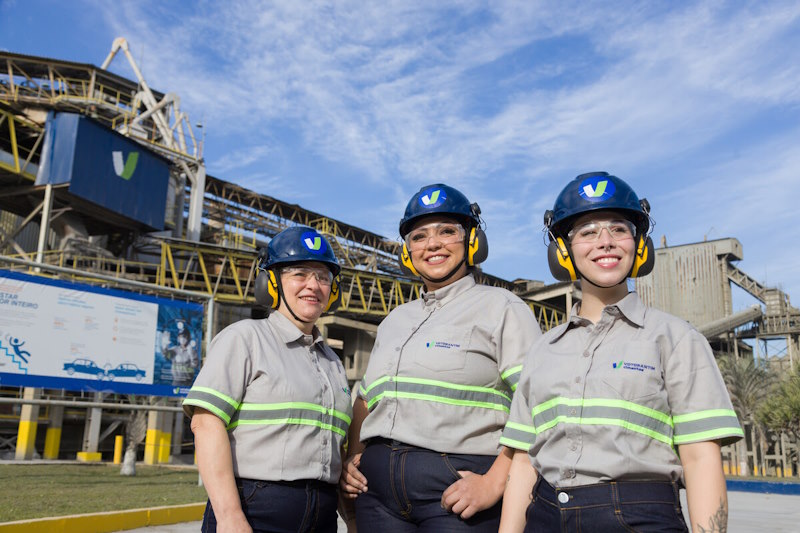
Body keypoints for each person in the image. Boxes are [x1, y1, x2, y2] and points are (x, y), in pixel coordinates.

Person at [499, 172, 744, 533]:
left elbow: (700, 459)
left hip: (639, 517)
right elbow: (523, 463)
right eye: (587, 232)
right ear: (563, 252)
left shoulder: (675, 338)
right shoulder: (542, 350)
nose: (605, 242)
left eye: (619, 229)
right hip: (545, 514)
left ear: (639, 245)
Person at [340, 183, 542, 531]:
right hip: (377, 497)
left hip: (455, 492)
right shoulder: (395, 320)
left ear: (472, 241)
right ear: (408, 251)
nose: (432, 244)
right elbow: (365, 399)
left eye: (447, 231)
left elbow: (536, 404)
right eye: (419, 237)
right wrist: (351, 460)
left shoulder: (502, 307)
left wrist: (495, 483)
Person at [183, 226, 352, 533]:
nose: (313, 285)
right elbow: (205, 423)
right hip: (256, 510)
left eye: (323, 277)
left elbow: (333, 451)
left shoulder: (332, 362)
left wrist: (351, 520)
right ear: (270, 282)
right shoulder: (244, 339)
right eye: (300, 274)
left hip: (322, 514)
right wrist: (230, 516)